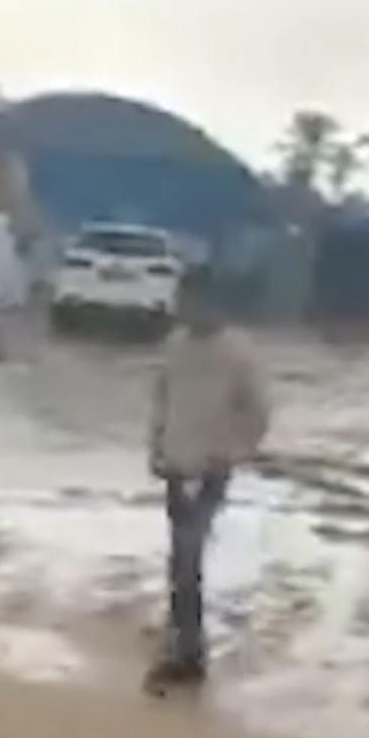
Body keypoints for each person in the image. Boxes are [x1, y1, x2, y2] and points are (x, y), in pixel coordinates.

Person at [146, 267, 271, 694]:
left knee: (187, 556)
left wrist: (229, 454)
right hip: (176, 467)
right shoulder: (175, 346)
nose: (185, 308)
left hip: (210, 471)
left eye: (194, 300)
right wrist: (155, 446)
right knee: (180, 560)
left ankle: (187, 655)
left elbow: (258, 413)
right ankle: (181, 640)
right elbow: (161, 398)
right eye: (182, 299)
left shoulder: (238, 353)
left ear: (214, 302)